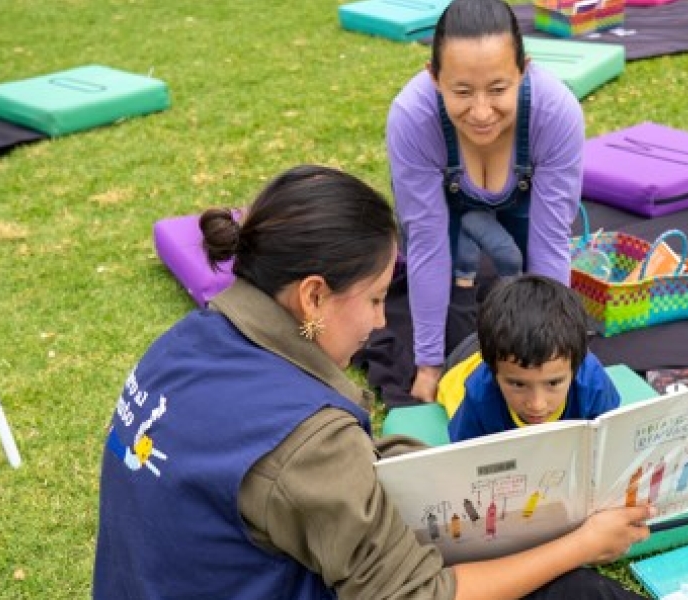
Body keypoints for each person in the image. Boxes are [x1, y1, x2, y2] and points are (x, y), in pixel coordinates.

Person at [92, 164, 657, 600]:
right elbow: (419, 593)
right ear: (314, 295)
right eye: (376, 297)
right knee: (564, 589)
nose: (383, 322)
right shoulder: (309, 441)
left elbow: (307, 477)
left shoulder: (184, 343)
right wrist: (581, 544)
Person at [387, 0, 585, 404]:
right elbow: (426, 240)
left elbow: (549, 243)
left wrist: (555, 358)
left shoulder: (556, 112)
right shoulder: (412, 116)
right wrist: (429, 364)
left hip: (524, 210)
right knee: (428, 270)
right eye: (461, 91)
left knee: (534, 270)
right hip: (444, 218)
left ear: (523, 71)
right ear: (434, 77)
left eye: (498, 89)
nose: (480, 112)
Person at [438, 274, 620, 442]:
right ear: (495, 375)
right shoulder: (479, 394)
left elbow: (610, 440)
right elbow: (465, 459)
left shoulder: (593, 382)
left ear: (575, 368)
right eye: (518, 384)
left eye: (553, 383)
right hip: (466, 358)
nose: (537, 405)